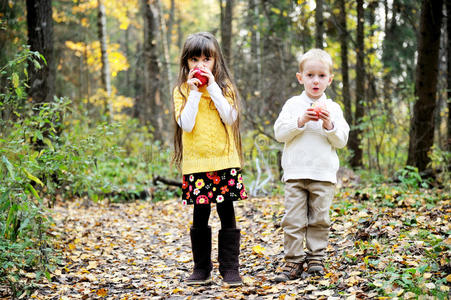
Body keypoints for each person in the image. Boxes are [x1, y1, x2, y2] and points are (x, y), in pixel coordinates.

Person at [172, 32, 247, 286]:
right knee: (200, 215)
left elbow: (230, 117)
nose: (200, 65)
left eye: (207, 59)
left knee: (227, 213)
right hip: (198, 164)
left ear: (216, 62)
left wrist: (212, 86)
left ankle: (230, 269)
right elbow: (186, 124)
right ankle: (201, 269)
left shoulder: (225, 89)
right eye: (194, 59)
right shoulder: (182, 91)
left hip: (224, 162)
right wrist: (194, 92)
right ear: (186, 63)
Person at [273, 48, 350, 282]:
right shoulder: (293, 105)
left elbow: (342, 140)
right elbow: (279, 133)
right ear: (300, 77)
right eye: (310, 75)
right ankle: (293, 261)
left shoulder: (333, 109)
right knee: (293, 220)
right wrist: (301, 120)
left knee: (319, 218)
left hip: (323, 175)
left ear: (329, 79)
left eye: (321, 76)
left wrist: (329, 125)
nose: (315, 80)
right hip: (295, 173)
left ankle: (316, 256)